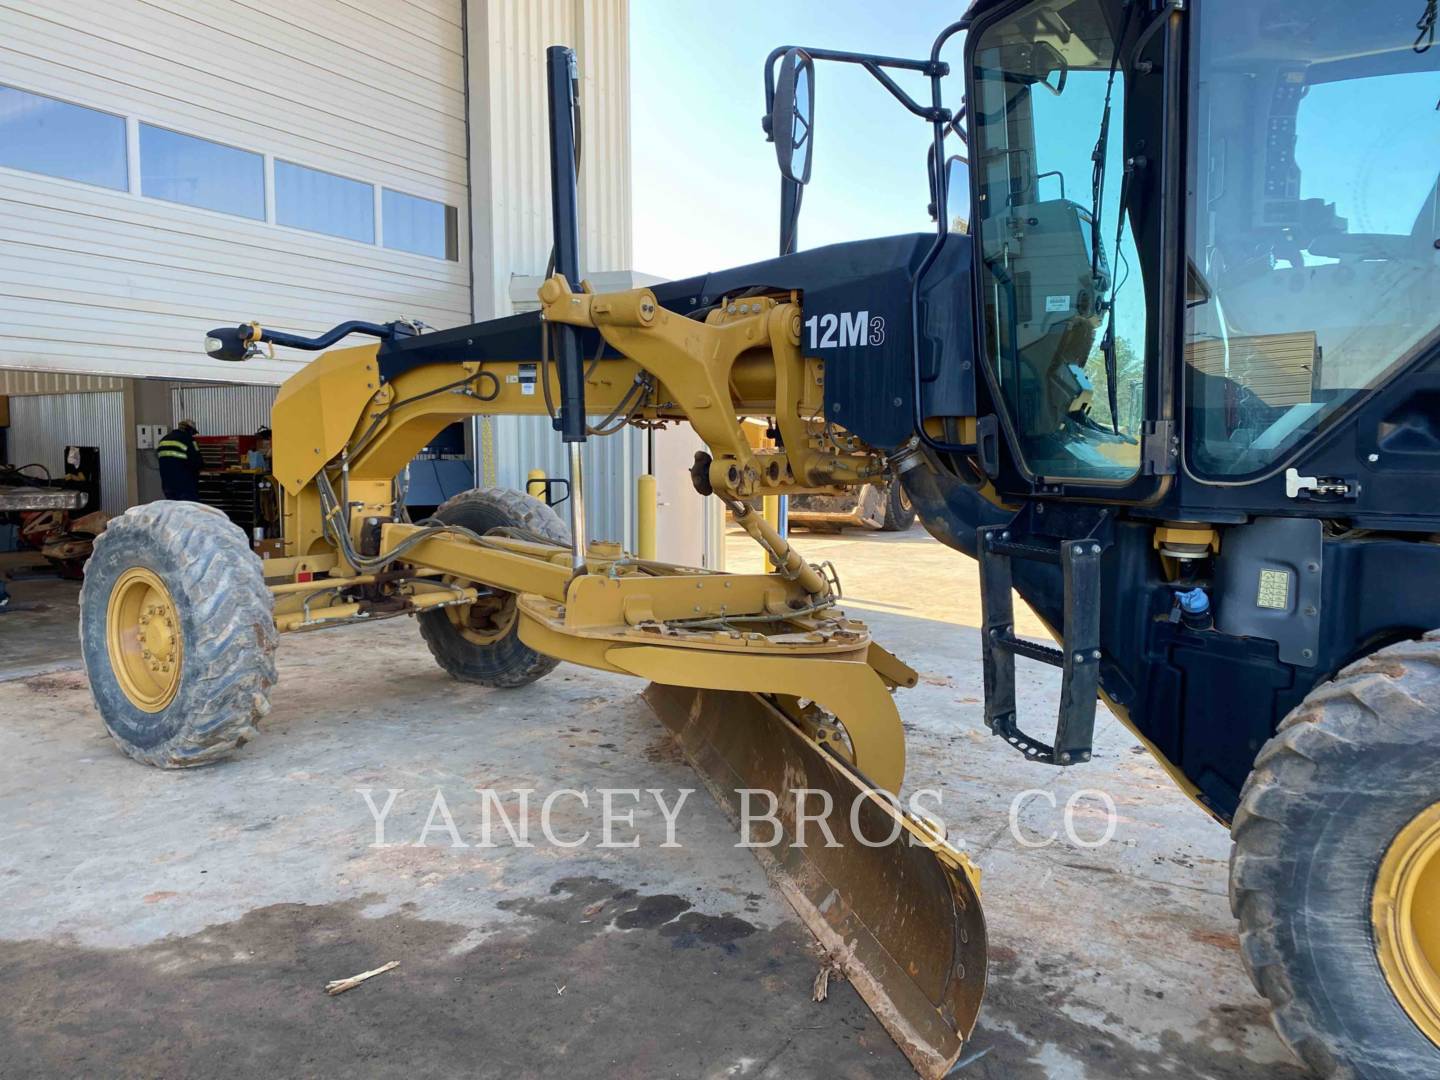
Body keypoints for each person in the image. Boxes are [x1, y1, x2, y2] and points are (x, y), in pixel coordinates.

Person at [157, 420, 204, 501]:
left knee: (173, 510)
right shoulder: (188, 439)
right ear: (190, 430)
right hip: (185, 485)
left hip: (167, 485)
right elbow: (197, 461)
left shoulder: (163, 440)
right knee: (189, 510)